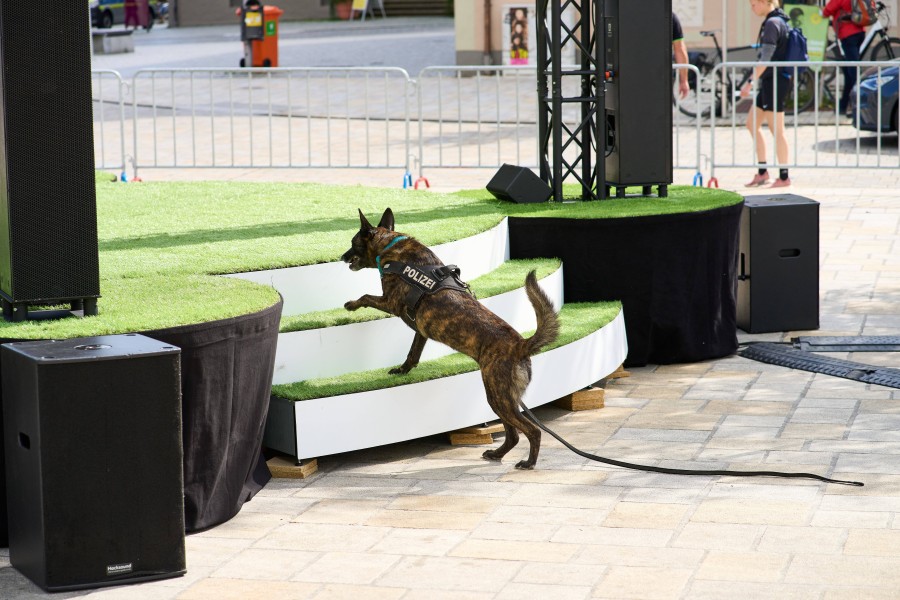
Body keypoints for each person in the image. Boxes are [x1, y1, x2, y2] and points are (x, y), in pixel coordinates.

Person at [741, 0, 792, 188]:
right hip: (769, 80)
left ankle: (784, 177)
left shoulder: (773, 24)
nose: (752, 8)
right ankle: (763, 172)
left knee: (777, 130)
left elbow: (766, 58)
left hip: (776, 82)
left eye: (754, 4)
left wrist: (749, 82)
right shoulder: (776, 20)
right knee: (751, 123)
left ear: (764, 2)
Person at [822, 0, 866, 115]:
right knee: (848, 72)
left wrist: (821, 12)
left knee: (853, 73)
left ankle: (858, 107)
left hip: (848, 34)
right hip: (859, 31)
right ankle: (843, 106)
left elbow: (827, 11)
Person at [672, 12, 690, 100]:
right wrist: (684, 81)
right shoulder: (669, 16)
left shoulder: (625, 11)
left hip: (630, 73)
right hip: (660, 73)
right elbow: (679, 49)